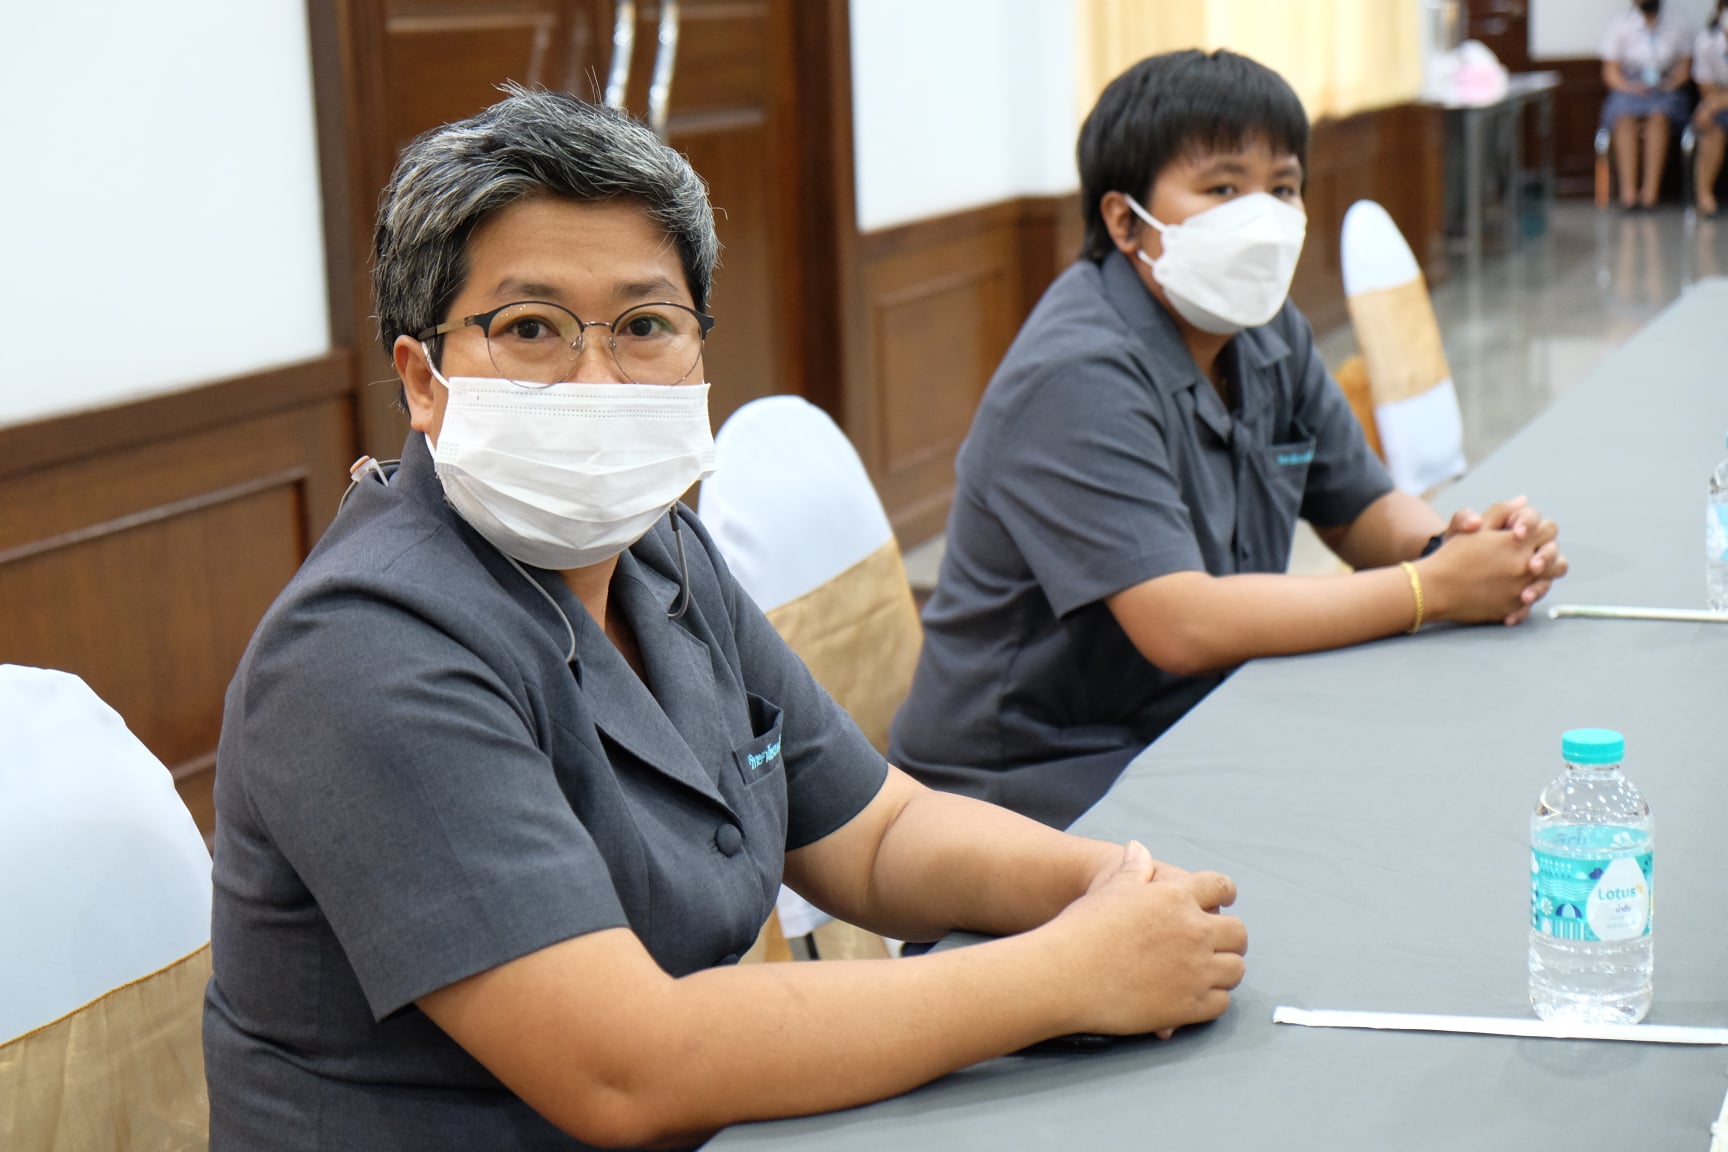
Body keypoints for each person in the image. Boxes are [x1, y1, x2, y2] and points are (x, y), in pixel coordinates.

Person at [202, 87, 1247, 1151]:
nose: (597, 379)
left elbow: (876, 837)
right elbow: (626, 1066)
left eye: (646, 325)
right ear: (423, 380)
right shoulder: (364, 652)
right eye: (530, 328)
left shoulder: (659, 554)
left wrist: (1110, 888)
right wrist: (1069, 971)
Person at [888, 50, 1568, 830]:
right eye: (1221, 189)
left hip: (1195, 725)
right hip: (1033, 789)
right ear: (1124, 220)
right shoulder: (1075, 372)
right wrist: (1431, 590)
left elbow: (1360, 510)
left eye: (1282, 188)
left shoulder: (1265, 330)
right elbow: (1184, 624)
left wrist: (1463, 544)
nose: (1263, 217)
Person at [1600, 0, 1694, 211]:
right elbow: (1610, 71)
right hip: (1630, 86)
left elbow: (1685, 66)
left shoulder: (1677, 23)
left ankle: (1650, 194)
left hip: (1665, 86)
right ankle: (1629, 194)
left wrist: (1669, 83)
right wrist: (1628, 87)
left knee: (1659, 118)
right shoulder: (1620, 25)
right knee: (1623, 119)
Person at [1693, 0, 1728, 217]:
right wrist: (1713, 104)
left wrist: (1716, 102)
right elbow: (1707, 89)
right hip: (1720, 105)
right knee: (1710, 123)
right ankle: (1704, 197)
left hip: (1721, 101)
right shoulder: (1706, 42)